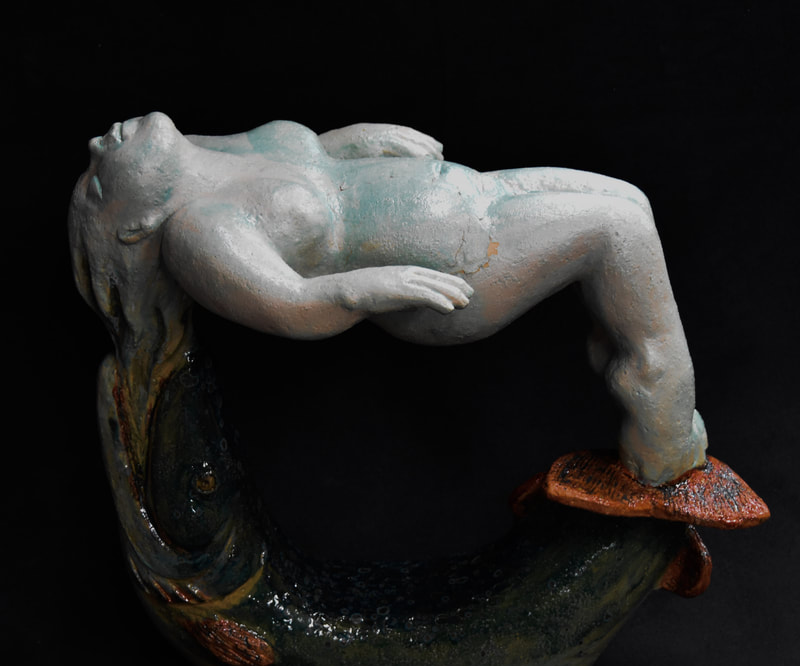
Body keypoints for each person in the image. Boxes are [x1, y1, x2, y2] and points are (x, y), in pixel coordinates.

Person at [69, 111, 708, 488]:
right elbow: (289, 302)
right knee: (619, 231)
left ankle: (624, 360)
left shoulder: (216, 151)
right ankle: (665, 444)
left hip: (472, 197)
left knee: (631, 202)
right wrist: (364, 288)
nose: (98, 146)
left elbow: (309, 163)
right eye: (99, 184)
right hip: (457, 264)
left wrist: (353, 141)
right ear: (136, 226)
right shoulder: (198, 231)